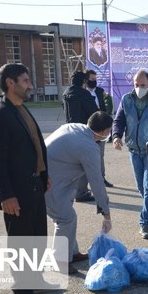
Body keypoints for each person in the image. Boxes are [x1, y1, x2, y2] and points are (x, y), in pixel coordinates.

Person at [0, 63, 51, 294]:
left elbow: (35, 145)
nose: (30, 85)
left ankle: (35, 278)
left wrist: (45, 175)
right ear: (10, 83)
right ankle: (21, 290)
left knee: (37, 236)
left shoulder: (21, 109)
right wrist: (6, 196)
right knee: (21, 239)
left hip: (34, 184)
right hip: (16, 191)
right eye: (25, 80)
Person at [45, 111, 114, 273]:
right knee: (65, 219)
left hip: (53, 177)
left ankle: (72, 253)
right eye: (109, 130)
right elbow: (96, 182)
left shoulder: (74, 127)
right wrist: (106, 214)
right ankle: (60, 261)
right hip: (47, 183)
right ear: (104, 132)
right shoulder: (89, 147)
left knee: (69, 216)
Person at [112, 70, 148, 239]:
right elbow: (119, 120)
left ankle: (144, 223)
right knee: (141, 188)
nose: (139, 88)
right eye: (136, 85)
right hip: (134, 150)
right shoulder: (127, 99)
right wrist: (116, 136)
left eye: (142, 85)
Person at [62, 71, 99, 202]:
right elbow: (94, 113)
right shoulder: (84, 94)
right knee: (85, 163)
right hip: (84, 131)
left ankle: (75, 190)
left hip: (70, 130)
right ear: (83, 82)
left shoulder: (66, 93)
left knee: (73, 163)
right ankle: (81, 192)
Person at [85, 69, 113, 188]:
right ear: (86, 80)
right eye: (92, 79)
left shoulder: (100, 91)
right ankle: (84, 184)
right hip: (87, 129)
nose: (94, 82)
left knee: (100, 155)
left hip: (100, 129)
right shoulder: (82, 92)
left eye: (95, 79)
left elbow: (107, 104)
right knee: (86, 157)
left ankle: (101, 178)